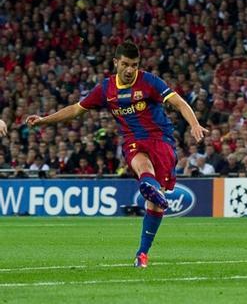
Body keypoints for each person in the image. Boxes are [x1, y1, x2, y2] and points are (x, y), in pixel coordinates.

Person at [26, 42, 208, 268]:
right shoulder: (105, 89)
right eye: (125, 64)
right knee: (142, 165)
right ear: (116, 63)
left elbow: (179, 102)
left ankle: (142, 252)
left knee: (156, 206)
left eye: (134, 65)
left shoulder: (149, 81)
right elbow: (75, 110)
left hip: (161, 140)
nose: (130, 70)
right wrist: (44, 119)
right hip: (133, 141)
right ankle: (148, 185)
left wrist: (195, 124)